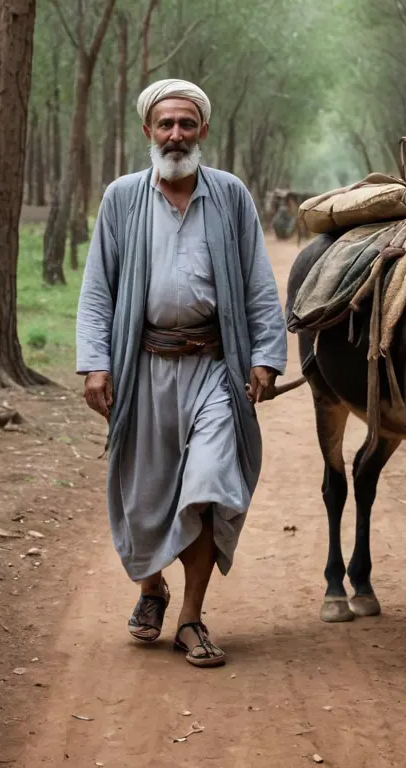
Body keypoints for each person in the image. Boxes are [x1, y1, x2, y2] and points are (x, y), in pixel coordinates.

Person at [76, 78, 287, 668]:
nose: (175, 134)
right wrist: (95, 362)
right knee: (145, 498)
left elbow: (256, 284)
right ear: (147, 130)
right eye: (165, 124)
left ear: (203, 131)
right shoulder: (121, 198)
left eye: (186, 124)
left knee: (205, 489)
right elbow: (98, 290)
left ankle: (191, 618)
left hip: (213, 370)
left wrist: (266, 356)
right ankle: (152, 588)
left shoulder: (231, 196)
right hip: (141, 370)